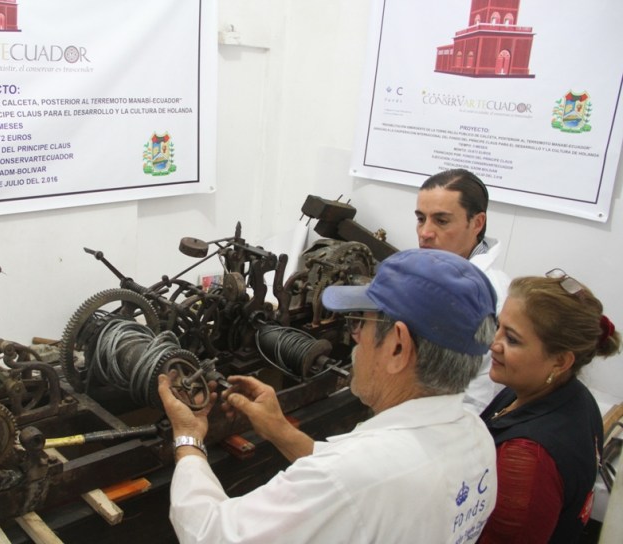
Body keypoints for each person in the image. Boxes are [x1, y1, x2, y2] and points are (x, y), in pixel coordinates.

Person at [158, 248, 499, 543]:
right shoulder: (477, 437)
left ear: (398, 346)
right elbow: (353, 492)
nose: (353, 339)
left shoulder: (355, 476)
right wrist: (279, 429)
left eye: (358, 324)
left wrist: (188, 438)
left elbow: (212, 535)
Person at [478, 270, 620, 543]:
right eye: (498, 327)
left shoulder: (527, 457)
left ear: (560, 361)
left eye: (512, 339)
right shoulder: (570, 395)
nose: (493, 343)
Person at [415, 168, 511, 413]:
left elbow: (479, 398)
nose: (425, 233)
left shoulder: (490, 296)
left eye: (441, 220)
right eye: (420, 218)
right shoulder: (433, 271)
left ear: (477, 223)